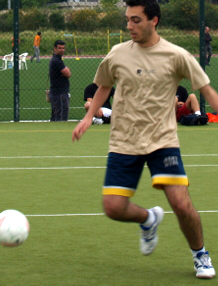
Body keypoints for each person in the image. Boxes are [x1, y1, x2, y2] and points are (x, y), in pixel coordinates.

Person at [72, 0, 218, 279]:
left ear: (154, 21)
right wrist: (88, 117)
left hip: (163, 141)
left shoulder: (176, 55)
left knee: (181, 203)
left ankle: (200, 254)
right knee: (113, 207)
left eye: (136, 20)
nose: (129, 25)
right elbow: (103, 86)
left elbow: (207, 90)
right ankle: (148, 218)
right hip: (124, 141)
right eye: (127, 19)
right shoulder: (117, 54)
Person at [49, 40, 71, 121]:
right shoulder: (57, 61)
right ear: (55, 48)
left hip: (57, 92)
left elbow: (65, 73)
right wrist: (65, 71)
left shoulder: (57, 60)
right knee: (61, 117)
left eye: (63, 48)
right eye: (59, 48)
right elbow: (68, 74)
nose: (62, 50)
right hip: (60, 93)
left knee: (56, 116)